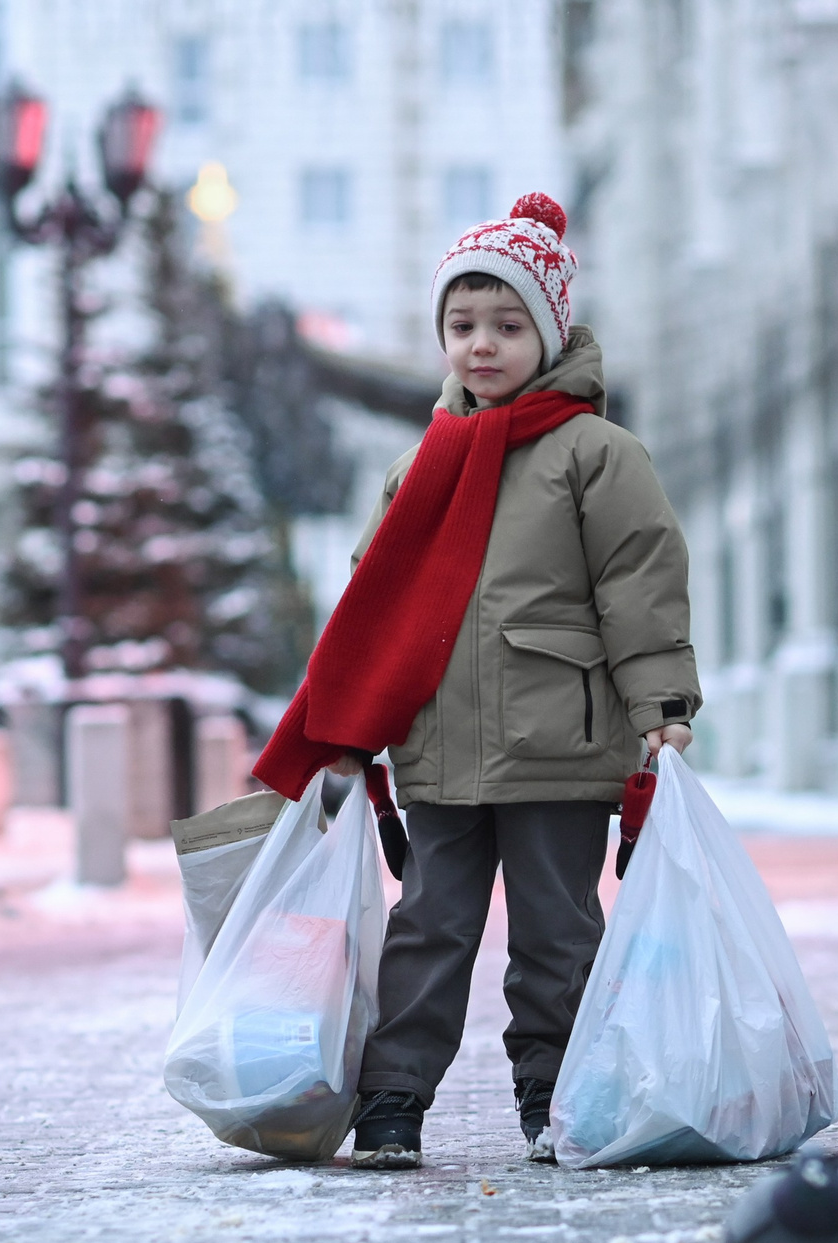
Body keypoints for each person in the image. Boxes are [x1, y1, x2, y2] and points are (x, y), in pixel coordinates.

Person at [250, 192, 698, 1171]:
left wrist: (660, 706)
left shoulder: (595, 456)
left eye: (506, 325)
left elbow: (639, 582)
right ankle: (392, 1105)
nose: (481, 345)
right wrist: (351, 724)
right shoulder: (424, 465)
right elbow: (376, 598)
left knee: (557, 939)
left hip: (562, 745)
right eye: (462, 325)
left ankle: (557, 1099)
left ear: (548, 331)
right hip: (441, 746)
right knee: (427, 934)